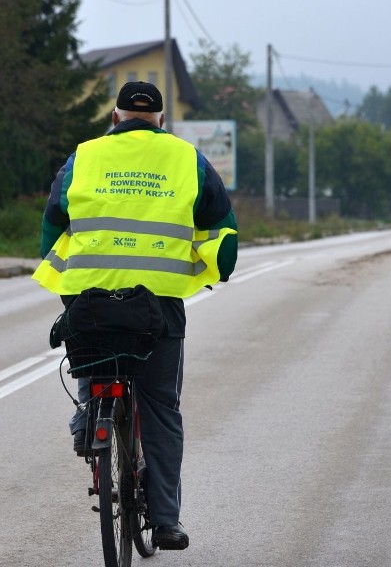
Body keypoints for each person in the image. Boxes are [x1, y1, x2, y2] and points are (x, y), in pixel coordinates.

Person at [32, 81, 238, 550]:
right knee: (161, 408)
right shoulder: (190, 160)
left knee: (94, 346)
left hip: (92, 295)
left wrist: (68, 288)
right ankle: (166, 521)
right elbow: (224, 230)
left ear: (115, 118)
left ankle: (90, 418)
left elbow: (51, 224)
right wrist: (215, 269)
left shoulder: (82, 158)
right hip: (159, 306)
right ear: (162, 122)